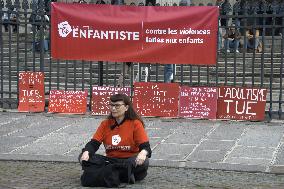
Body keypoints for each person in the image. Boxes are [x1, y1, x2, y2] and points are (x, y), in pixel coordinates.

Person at [79, 93, 151, 187]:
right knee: (83, 156)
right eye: (111, 105)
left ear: (126, 107)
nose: (113, 108)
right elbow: (94, 144)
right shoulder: (105, 124)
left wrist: (143, 153)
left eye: (117, 105)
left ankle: (110, 173)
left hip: (129, 160)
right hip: (111, 160)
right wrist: (86, 152)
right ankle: (123, 175)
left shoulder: (135, 123)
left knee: (144, 162)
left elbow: (146, 147)